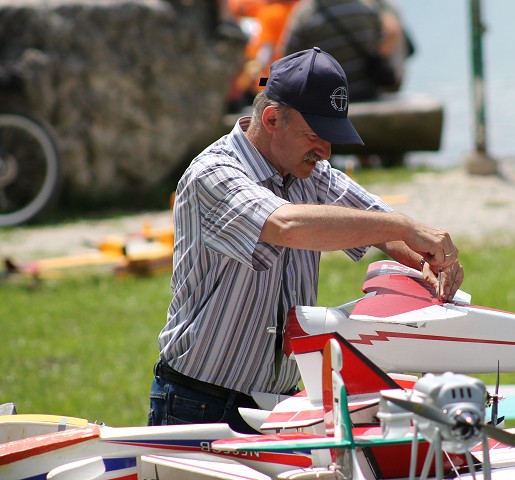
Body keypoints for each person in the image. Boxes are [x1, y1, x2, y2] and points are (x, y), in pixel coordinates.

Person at [147, 47, 464, 433]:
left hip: (282, 403)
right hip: (199, 402)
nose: (326, 151)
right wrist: (399, 226)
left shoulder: (312, 172)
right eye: (316, 135)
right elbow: (285, 224)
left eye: (333, 136)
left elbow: (376, 224)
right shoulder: (211, 175)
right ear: (271, 119)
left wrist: (431, 261)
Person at [279, 0, 404, 100]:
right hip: (366, 94)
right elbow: (383, 41)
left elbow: (287, 61)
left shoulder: (304, 14)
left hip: (326, 101)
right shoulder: (367, 8)